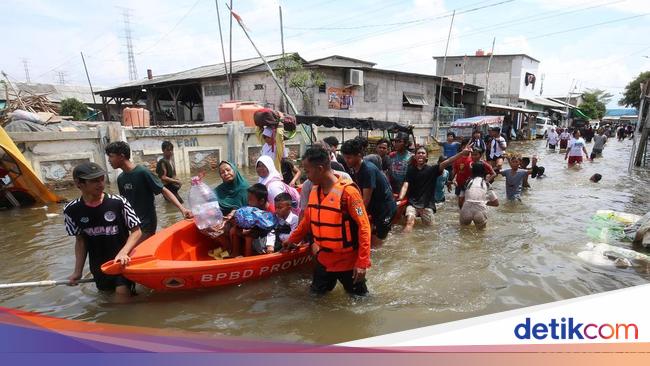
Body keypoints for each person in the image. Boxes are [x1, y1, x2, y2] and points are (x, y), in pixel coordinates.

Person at [282, 146, 371, 296]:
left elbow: (364, 227)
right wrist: (292, 239)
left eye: (308, 171)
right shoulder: (314, 190)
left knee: (361, 302)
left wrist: (362, 263)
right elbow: (308, 220)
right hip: (324, 259)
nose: (305, 175)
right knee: (314, 299)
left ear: (320, 168)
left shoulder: (349, 193)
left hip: (348, 262)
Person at [64, 162, 142, 295]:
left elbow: (136, 231)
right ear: (79, 184)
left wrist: (123, 252)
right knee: (107, 299)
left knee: (121, 295)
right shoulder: (71, 210)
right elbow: (80, 241)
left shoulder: (118, 202)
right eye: (94, 181)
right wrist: (78, 271)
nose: (100, 184)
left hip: (122, 262)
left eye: (101, 179)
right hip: (98, 265)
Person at [105, 141, 191, 241]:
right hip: (134, 225)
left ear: (121, 156)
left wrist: (182, 209)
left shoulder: (142, 172)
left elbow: (164, 190)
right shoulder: (121, 178)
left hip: (147, 224)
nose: (109, 160)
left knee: (133, 252)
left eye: (111, 156)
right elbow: (124, 203)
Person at [398, 145, 470, 232]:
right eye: (418, 153)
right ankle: (406, 244)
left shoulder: (432, 169)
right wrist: (400, 198)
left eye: (423, 153)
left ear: (426, 156)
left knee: (431, 230)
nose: (420, 154)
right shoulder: (410, 170)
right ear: (415, 156)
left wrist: (462, 153)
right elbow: (405, 185)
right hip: (412, 203)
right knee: (409, 222)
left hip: (427, 205)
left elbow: (448, 161)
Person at [341, 138, 396, 246]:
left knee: (376, 245)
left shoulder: (367, 170)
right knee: (370, 237)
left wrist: (354, 217)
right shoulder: (356, 168)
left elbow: (365, 200)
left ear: (359, 155)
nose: (346, 161)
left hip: (385, 209)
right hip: (375, 207)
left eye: (349, 158)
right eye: (344, 157)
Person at [229, 183, 272, 257]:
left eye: (251, 200)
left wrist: (250, 231)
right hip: (255, 229)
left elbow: (271, 230)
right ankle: (235, 254)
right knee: (234, 230)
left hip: (267, 235)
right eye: (248, 199)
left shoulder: (270, 212)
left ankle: (247, 258)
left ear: (261, 201)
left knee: (249, 237)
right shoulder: (252, 207)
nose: (248, 202)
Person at [459, 162, 499, 229]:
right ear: (483, 172)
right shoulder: (486, 184)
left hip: (466, 208)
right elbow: (496, 203)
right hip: (480, 210)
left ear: (472, 171)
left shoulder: (467, 182)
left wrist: (462, 209)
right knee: (481, 236)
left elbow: (460, 200)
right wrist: (485, 202)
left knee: (463, 232)